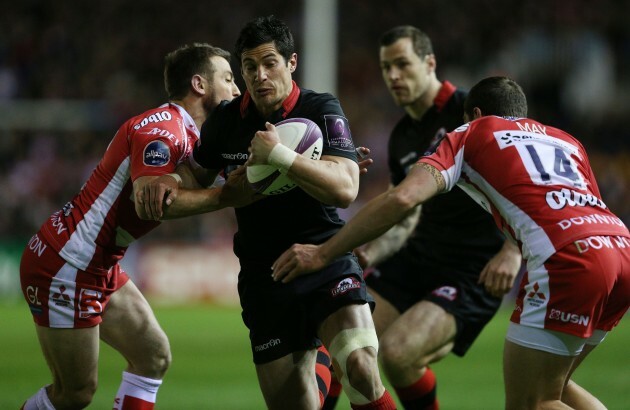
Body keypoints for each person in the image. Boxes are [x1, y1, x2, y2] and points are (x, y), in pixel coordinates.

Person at [272, 76, 630, 410]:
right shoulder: (566, 140)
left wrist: (323, 253)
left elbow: (402, 199)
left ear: (472, 114)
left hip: (570, 260)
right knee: (557, 386)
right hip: (619, 249)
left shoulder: (470, 132)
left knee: (532, 402)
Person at [142, 15, 396, 410]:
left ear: (291, 63)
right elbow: (197, 175)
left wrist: (279, 155)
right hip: (265, 274)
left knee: (362, 367)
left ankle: (328, 357)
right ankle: (321, 364)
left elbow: (346, 188)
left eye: (270, 63)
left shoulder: (321, 107)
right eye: (249, 67)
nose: (260, 76)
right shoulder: (226, 121)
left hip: (323, 256)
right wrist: (169, 181)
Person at [19, 43, 241, 410]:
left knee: (153, 357)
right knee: (74, 394)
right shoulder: (163, 129)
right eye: (229, 78)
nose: (236, 89)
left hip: (97, 263)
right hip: (67, 264)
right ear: (199, 84)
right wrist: (229, 197)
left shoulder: (193, 138)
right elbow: (150, 201)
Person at [324, 26, 522, 410]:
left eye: (402, 64)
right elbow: (406, 214)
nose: (393, 76)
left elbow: (524, 174)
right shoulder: (402, 136)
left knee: (399, 355)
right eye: (386, 67)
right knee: (341, 342)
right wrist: (372, 252)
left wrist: (514, 250)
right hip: (418, 257)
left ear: (429, 63)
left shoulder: (472, 110)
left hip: (472, 269)